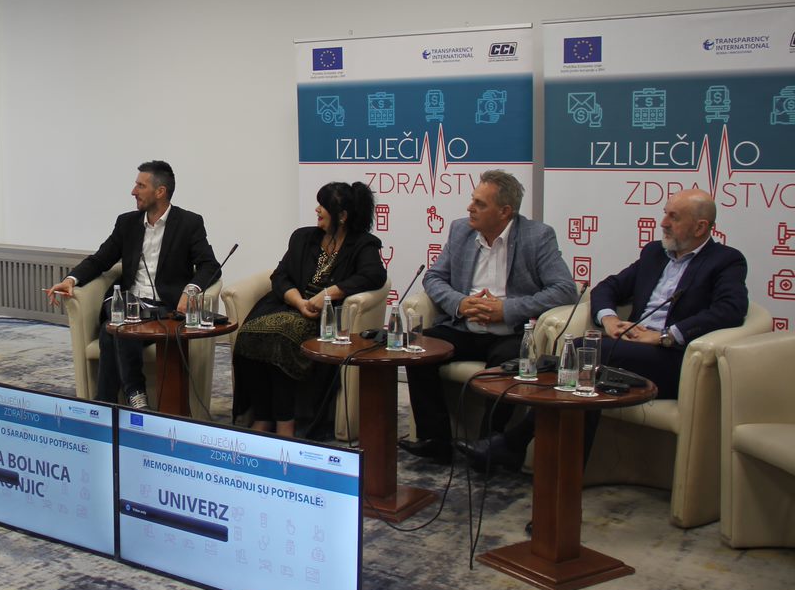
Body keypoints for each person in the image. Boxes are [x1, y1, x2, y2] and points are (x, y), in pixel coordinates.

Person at [459, 189, 749, 471]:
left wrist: (665, 336)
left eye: (674, 217)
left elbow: (731, 309)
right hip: (628, 349)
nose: (663, 223)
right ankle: (556, 477)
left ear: (700, 227)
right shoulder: (655, 253)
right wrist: (609, 319)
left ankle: (514, 445)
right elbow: (608, 287)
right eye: (665, 214)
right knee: (585, 385)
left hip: (673, 357)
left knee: (583, 355)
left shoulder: (725, 261)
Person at [399, 170, 577, 465]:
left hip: (510, 332)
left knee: (506, 363)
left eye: (480, 204)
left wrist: (505, 310)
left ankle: (489, 445)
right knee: (418, 349)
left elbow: (564, 290)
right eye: (473, 200)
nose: (470, 208)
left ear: (505, 211)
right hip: (464, 327)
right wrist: (461, 303)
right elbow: (434, 278)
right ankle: (435, 439)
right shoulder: (461, 231)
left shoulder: (536, 236)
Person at [46, 161, 219, 410]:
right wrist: (71, 280)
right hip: (127, 302)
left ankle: (105, 405)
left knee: (110, 331)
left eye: (140, 186)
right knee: (123, 317)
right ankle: (135, 396)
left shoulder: (189, 223)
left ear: (160, 191)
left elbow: (210, 265)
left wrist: (190, 291)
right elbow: (100, 259)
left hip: (163, 308)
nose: (133, 191)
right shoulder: (127, 223)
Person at [231, 182, 386, 438]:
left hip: (324, 317)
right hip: (288, 304)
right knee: (248, 335)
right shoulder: (303, 238)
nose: (317, 210)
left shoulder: (362, 244)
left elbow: (374, 275)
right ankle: (263, 416)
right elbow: (280, 276)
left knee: (280, 339)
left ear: (342, 216)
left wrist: (329, 293)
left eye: (323, 206)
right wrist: (298, 301)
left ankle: (285, 423)